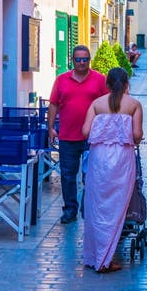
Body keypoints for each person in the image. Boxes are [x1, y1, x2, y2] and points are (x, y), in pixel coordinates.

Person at [81, 67, 143, 273]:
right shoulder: (134, 105)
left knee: (97, 205)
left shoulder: (96, 104)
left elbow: (85, 131)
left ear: (107, 84)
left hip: (99, 159)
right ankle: (107, 257)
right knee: (117, 206)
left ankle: (97, 255)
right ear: (127, 84)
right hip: (123, 160)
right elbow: (136, 135)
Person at [47, 45, 107, 224]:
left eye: (85, 59)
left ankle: (88, 208)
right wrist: (50, 127)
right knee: (67, 175)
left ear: (90, 60)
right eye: (78, 59)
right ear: (72, 61)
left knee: (91, 175)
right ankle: (70, 209)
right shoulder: (61, 80)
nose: (82, 63)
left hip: (93, 137)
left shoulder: (100, 80)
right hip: (67, 136)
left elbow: (107, 105)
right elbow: (53, 104)